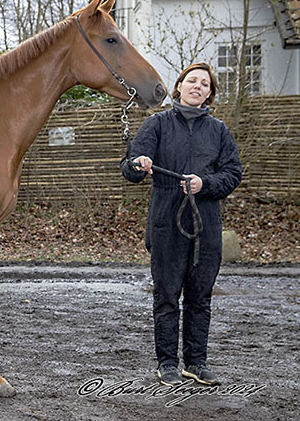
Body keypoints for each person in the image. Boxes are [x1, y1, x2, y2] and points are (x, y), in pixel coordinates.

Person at [120, 62, 242, 386]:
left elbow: (233, 174)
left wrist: (206, 184)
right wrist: (139, 163)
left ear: (210, 94)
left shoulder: (219, 131)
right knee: (167, 296)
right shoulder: (157, 124)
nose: (197, 86)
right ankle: (168, 364)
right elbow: (129, 167)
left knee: (200, 297)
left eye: (205, 83)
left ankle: (196, 362)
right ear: (179, 87)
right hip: (166, 222)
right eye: (192, 81)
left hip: (207, 226)